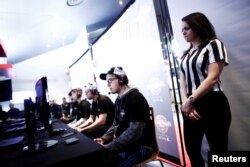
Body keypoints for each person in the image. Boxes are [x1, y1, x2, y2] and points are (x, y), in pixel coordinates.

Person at [179, 12, 231, 167]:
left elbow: (213, 77)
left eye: (187, 28)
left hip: (213, 102)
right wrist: (185, 103)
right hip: (190, 104)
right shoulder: (185, 54)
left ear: (198, 26)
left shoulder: (214, 45)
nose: (183, 32)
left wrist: (190, 100)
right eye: (182, 29)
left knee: (219, 151)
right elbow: (182, 82)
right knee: (192, 149)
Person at [94, 66, 154, 167]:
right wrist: (104, 139)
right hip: (125, 146)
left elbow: (134, 132)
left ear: (121, 79)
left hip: (140, 147)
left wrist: (110, 147)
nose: (108, 85)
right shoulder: (118, 100)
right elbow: (115, 124)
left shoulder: (136, 98)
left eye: (110, 81)